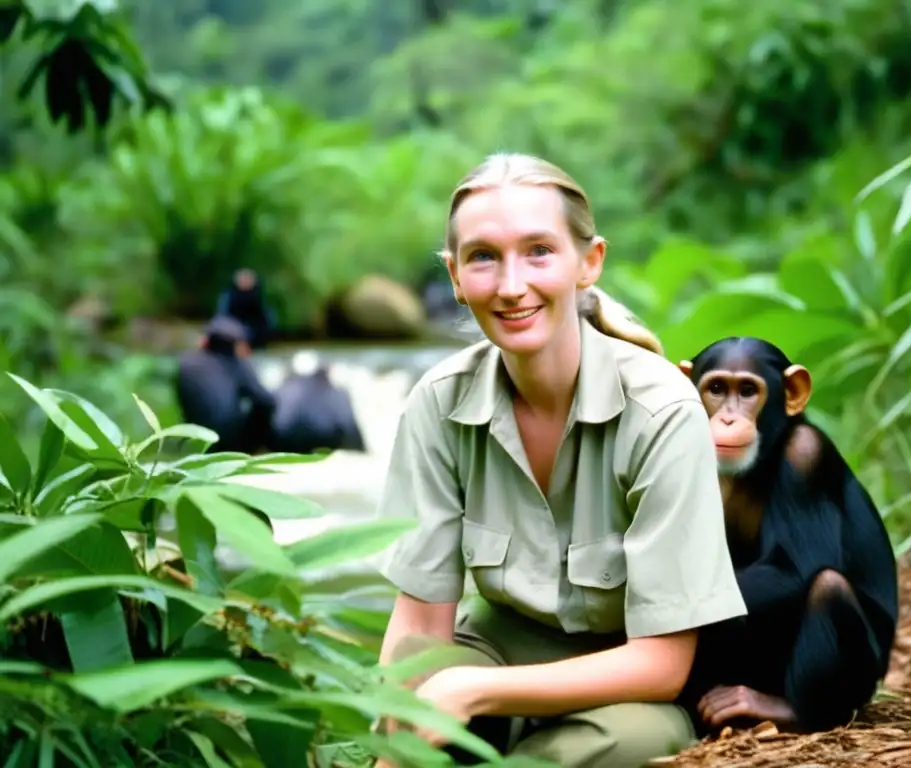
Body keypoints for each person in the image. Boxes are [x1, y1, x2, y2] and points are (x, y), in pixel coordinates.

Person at [368, 152, 747, 767]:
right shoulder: (437, 405)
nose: (511, 285)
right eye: (483, 256)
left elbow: (663, 664)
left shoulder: (663, 412)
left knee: (622, 745)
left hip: (623, 684)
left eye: (539, 251)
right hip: (494, 648)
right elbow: (420, 624)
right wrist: (391, 746)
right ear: (456, 278)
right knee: (419, 694)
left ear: (588, 262)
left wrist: (475, 692)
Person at [174, 315, 276, 454]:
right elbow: (267, 401)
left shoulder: (185, 363)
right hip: (230, 441)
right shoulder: (235, 364)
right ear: (234, 345)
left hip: (196, 436)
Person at [215, 268, 276, 349]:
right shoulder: (228, 297)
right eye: (243, 279)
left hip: (253, 336)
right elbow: (222, 318)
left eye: (247, 279)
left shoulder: (259, 298)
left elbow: (264, 321)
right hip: (232, 334)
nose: (244, 282)